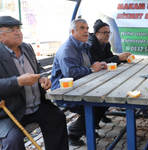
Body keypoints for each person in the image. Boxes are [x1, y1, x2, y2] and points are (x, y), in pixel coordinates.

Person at [0, 16, 68, 150]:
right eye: (12, 30)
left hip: (36, 107)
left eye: (19, 28)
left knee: (58, 117)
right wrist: (18, 82)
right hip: (10, 112)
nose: (18, 32)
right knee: (13, 140)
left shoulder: (26, 48)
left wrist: (42, 76)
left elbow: (38, 67)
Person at [50, 18, 108, 146]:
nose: (86, 31)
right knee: (97, 103)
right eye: (82, 28)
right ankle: (73, 133)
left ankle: (86, 128)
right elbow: (70, 73)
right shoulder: (67, 49)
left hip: (81, 86)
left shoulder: (83, 45)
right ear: (73, 32)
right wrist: (91, 70)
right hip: (65, 91)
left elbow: (86, 65)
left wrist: (97, 65)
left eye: (87, 28)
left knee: (105, 99)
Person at [87, 19, 131, 124]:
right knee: (107, 91)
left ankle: (100, 115)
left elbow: (110, 58)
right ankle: (92, 123)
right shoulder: (91, 44)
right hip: (92, 78)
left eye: (109, 32)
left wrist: (124, 58)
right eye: (105, 33)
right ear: (97, 34)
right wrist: (118, 58)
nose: (108, 35)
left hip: (102, 75)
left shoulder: (106, 44)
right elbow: (98, 63)